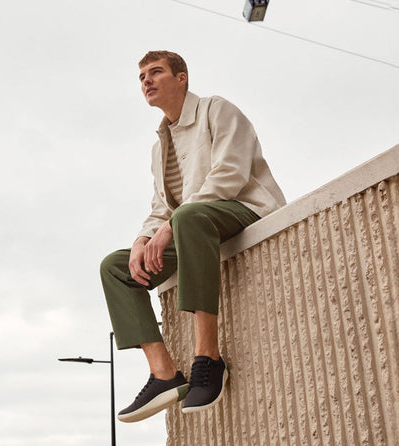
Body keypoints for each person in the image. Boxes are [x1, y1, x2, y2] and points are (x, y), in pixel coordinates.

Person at [98, 50, 285, 423]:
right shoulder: (159, 146)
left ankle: (208, 359)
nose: (146, 81)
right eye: (141, 77)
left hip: (244, 211)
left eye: (156, 72)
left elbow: (230, 174)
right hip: (191, 229)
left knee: (188, 217)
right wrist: (142, 240)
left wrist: (170, 226)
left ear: (181, 78)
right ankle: (163, 374)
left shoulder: (217, 110)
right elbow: (161, 207)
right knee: (116, 266)